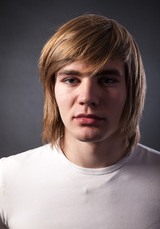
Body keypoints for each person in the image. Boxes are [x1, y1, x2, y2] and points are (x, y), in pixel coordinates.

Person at [0, 14, 160, 229]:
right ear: (52, 89)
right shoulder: (6, 178)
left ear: (131, 89)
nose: (87, 97)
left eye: (107, 80)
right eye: (71, 80)